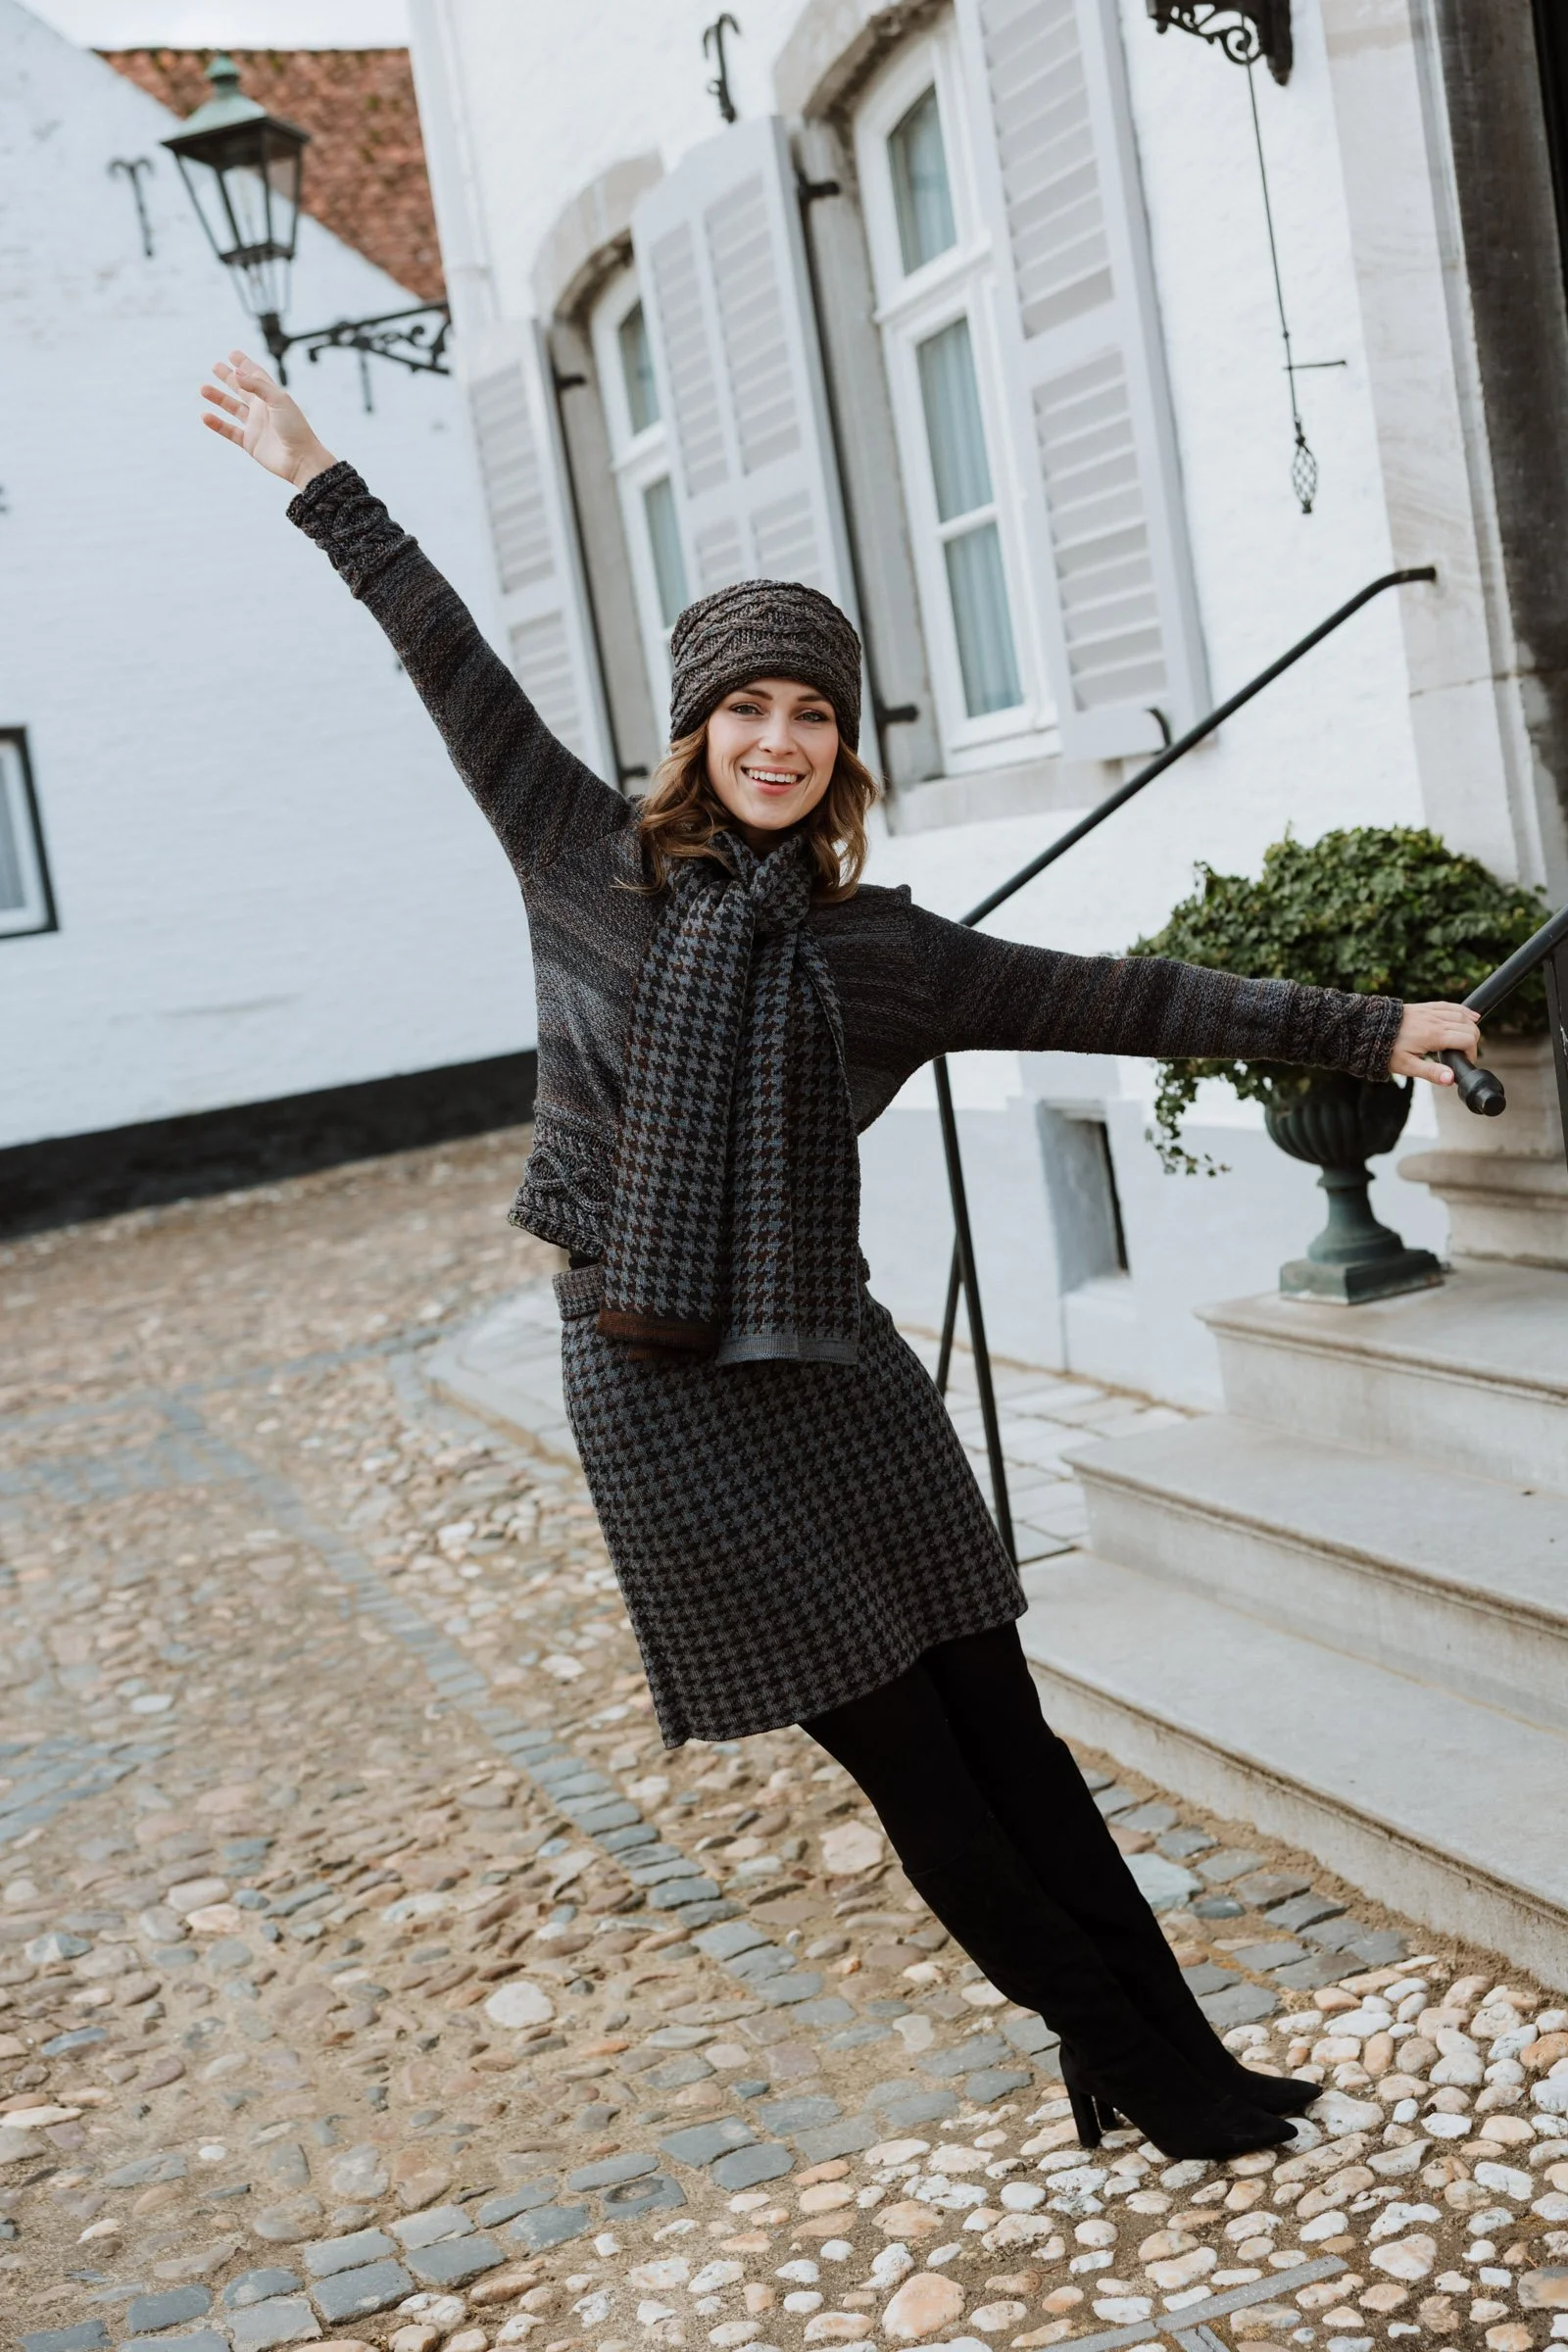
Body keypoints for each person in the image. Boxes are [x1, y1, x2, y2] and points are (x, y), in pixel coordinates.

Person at [200, 351, 1481, 2160]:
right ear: (697, 731)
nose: (779, 739)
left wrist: (1373, 1027)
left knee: (1011, 1733)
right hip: (659, 1381)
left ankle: (1162, 2043)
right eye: (747, 709)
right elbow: (447, 655)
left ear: (843, 742)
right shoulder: (578, 855)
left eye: (810, 709)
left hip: (835, 1368)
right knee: (919, 1772)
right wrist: (321, 475)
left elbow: (1124, 997)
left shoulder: (887, 949)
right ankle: (1149, 2068)